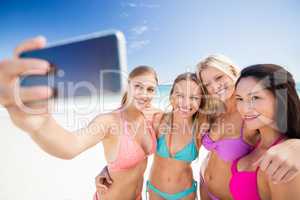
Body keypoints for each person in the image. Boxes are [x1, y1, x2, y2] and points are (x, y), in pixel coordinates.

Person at [0, 36, 160, 200]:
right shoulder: (109, 121)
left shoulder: (152, 117)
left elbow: (184, 121)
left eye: (150, 89)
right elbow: (71, 145)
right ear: (128, 86)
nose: (144, 94)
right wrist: (41, 125)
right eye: (138, 87)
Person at [196, 54, 300, 200]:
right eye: (206, 84)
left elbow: (289, 113)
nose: (213, 87)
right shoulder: (214, 111)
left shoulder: (251, 117)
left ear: (232, 72)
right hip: (204, 186)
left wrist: (296, 145)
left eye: (219, 77)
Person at [230, 64, 300, 200]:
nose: (244, 109)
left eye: (255, 98)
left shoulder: (284, 162)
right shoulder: (253, 140)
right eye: (239, 99)